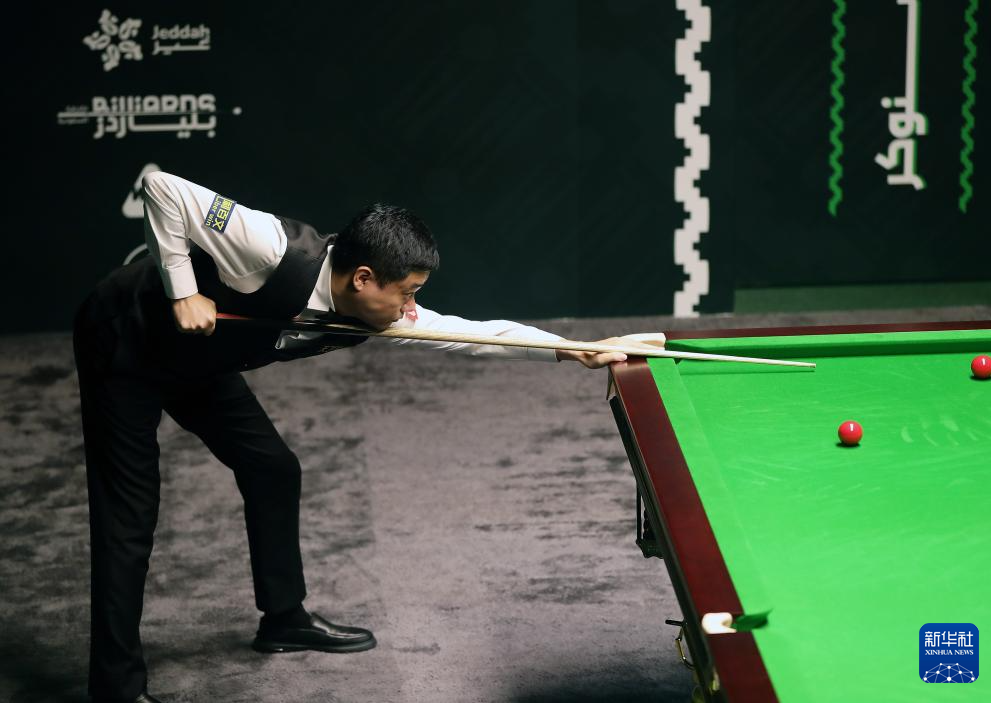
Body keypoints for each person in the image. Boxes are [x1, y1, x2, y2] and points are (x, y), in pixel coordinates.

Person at [73, 171, 628, 703]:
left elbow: (471, 334)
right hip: (125, 343)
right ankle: (116, 688)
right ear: (363, 278)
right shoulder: (269, 246)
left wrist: (569, 348)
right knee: (129, 518)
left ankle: (283, 619)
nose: (411, 308)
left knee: (273, 468)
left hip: (200, 359)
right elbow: (163, 188)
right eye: (407, 293)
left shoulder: (377, 312)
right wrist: (182, 292)